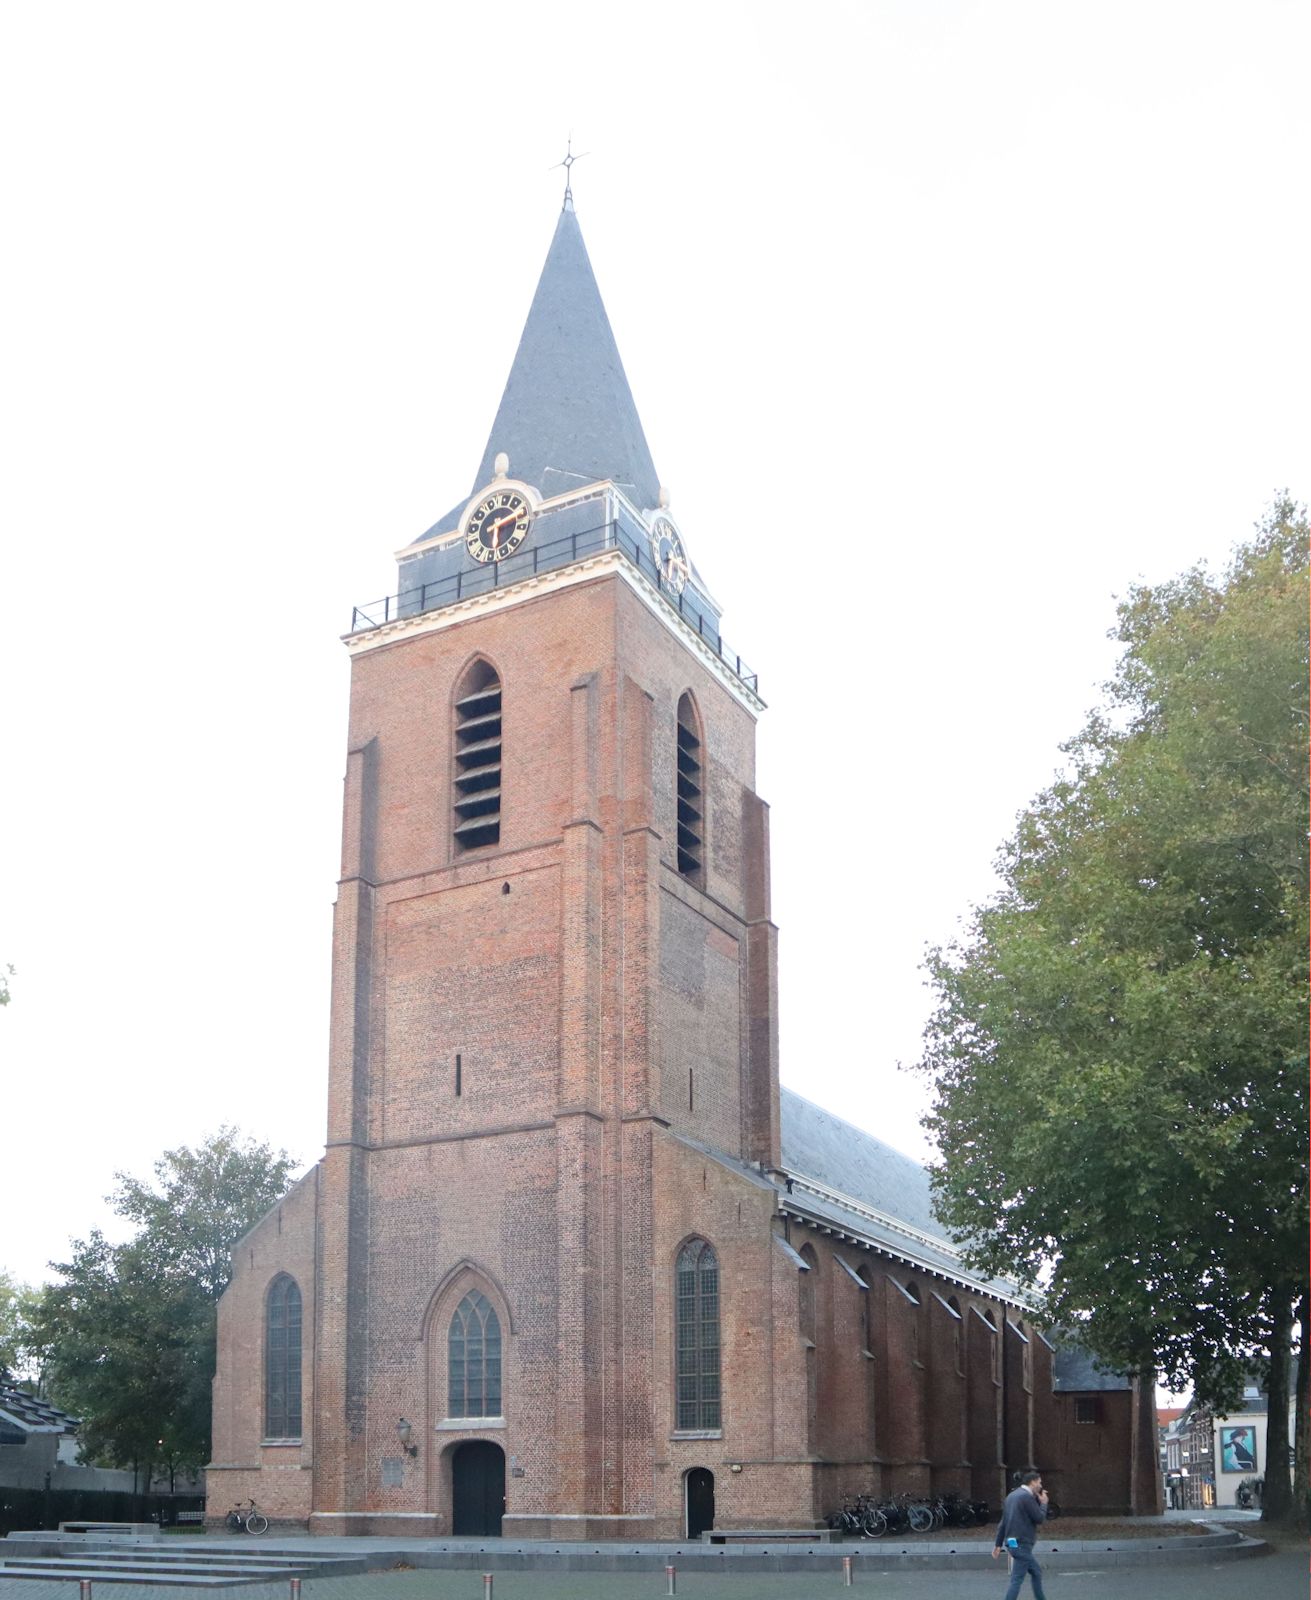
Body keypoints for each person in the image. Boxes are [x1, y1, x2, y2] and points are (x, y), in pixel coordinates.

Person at [992, 1468, 1049, 1600]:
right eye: (1039, 1482)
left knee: (1036, 1572)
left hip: (1012, 1542)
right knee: (1017, 1579)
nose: (1040, 1486)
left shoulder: (1011, 1496)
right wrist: (1044, 1504)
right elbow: (1039, 1518)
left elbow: (1003, 1523)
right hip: (1023, 1543)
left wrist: (998, 1544)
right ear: (1033, 1482)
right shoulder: (1026, 1497)